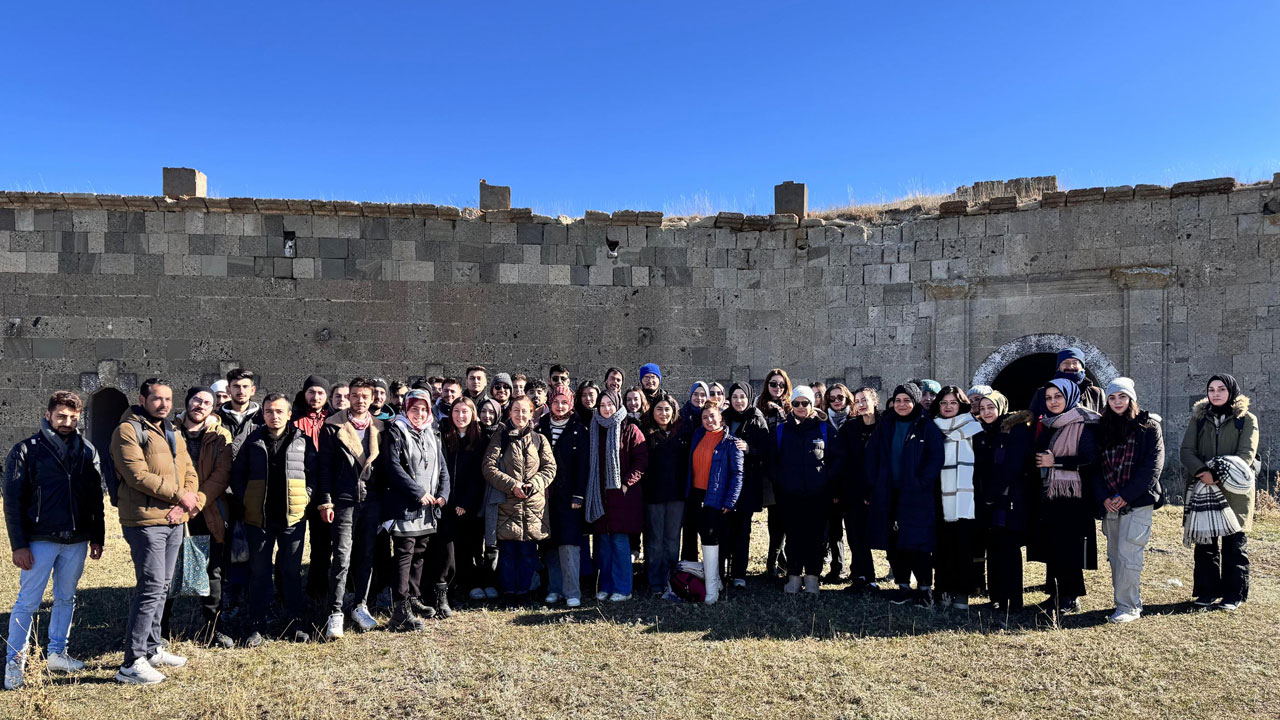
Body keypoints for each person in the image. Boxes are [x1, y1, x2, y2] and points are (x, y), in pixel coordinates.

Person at [3, 391, 105, 690]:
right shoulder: (26, 451)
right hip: (39, 539)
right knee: (28, 602)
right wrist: (18, 545)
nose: (67, 422)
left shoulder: (87, 450)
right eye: (61, 416)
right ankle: (14, 662)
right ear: (48, 415)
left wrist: (96, 535)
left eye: (73, 417)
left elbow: (95, 497)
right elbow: (13, 501)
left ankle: (57, 652)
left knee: (65, 598)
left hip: (76, 540)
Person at [111, 378, 203, 685]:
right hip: (145, 521)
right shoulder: (127, 430)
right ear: (142, 398)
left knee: (162, 586)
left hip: (174, 518)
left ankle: (152, 648)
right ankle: (131, 662)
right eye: (157, 398)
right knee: (150, 586)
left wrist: (188, 501)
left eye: (167, 399)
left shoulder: (171, 430)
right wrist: (180, 496)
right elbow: (137, 475)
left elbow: (188, 470)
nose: (163, 404)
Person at [232, 393, 314, 647]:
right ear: (263, 414)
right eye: (269, 411)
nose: (274, 416)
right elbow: (238, 475)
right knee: (259, 572)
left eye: (279, 411)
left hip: (293, 518)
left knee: (290, 571)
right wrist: (247, 498)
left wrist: (307, 496)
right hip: (259, 519)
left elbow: (313, 474)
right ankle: (257, 624)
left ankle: (296, 621)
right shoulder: (252, 441)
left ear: (290, 414)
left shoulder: (303, 441)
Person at [160, 388, 234, 649]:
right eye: (196, 400)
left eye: (207, 403)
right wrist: (178, 501)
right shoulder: (167, 430)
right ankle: (159, 631)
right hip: (170, 509)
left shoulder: (219, 435)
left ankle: (213, 628)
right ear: (187, 402)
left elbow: (221, 475)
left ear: (213, 409)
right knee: (165, 572)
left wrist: (196, 503)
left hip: (207, 510)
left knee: (211, 570)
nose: (200, 406)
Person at [1180, 373, 1258, 611]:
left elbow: (1246, 454)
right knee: (1206, 544)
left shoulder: (1246, 420)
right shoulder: (1199, 419)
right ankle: (1207, 591)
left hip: (1234, 491)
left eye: (1221, 389)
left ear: (1231, 391)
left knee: (1234, 545)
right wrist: (1203, 471)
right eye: (1211, 389)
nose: (1215, 393)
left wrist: (1218, 474)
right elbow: (1187, 450)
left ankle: (1234, 594)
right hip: (1204, 487)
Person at [316, 377, 385, 639]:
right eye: (355, 395)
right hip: (344, 500)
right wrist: (326, 500)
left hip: (371, 501)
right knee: (342, 556)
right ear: (349, 397)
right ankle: (335, 612)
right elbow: (324, 467)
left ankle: (360, 605)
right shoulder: (333, 427)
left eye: (364, 396)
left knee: (366, 555)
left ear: (371, 398)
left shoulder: (379, 427)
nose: (359, 400)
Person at [864, 383, 944, 607]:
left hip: (916, 494)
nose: (901, 404)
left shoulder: (926, 426)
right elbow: (872, 455)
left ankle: (925, 589)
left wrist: (921, 482)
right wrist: (874, 484)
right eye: (898, 400)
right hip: (889, 493)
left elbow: (935, 458)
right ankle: (903, 587)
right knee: (894, 541)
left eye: (906, 400)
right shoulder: (885, 424)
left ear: (915, 402)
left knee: (917, 542)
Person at [1094, 378, 1164, 623]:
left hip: (1137, 501)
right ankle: (1121, 602)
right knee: (1114, 554)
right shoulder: (1102, 427)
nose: (1117, 402)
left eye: (1122, 397)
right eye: (1112, 398)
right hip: (1110, 502)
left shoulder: (1149, 427)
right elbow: (1095, 467)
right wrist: (1104, 497)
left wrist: (1125, 496)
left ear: (1131, 399)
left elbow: (1152, 468)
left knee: (1128, 554)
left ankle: (1130, 607)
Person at [380, 389, 451, 630]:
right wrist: (418, 493)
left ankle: (413, 597)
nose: (419, 413)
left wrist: (443, 493)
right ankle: (399, 610)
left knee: (420, 552)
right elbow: (393, 467)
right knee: (404, 553)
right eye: (413, 408)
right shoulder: (395, 431)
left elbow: (441, 466)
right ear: (405, 409)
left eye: (423, 409)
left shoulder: (432, 431)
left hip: (428, 508)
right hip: (406, 505)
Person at [1030, 379, 1100, 618]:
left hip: (1074, 496)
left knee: (1069, 546)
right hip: (1051, 493)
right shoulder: (1050, 423)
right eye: (1048, 398)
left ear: (1069, 396)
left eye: (1058, 396)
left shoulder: (1085, 422)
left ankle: (1071, 597)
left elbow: (1091, 460)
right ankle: (1056, 593)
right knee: (1054, 545)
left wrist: (1056, 463)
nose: (1053, 401)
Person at [483, 396, 557, 597]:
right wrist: (512, 485)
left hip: (533, 505)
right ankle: (508, 591)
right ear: (510, 413)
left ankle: (524, 591)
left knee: (528, 553)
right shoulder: (501, 437)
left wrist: (534, 484)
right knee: (507, 553)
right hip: (507, 504)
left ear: (531, 413)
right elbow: (488, 467)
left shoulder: (539, 440)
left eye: (525, 411)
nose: (520, 415)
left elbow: (550, 468)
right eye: (516, 410)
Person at [972, 390, 1033, 616]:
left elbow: (1014, 466)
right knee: (993, 548)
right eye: (983, 407)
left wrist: (993, 493)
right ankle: (996, 597)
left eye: (991, 407)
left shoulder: (1015, 430)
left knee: (1008, 550)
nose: (987, 412)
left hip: (1008, 500)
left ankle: (1013, 600)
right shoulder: (983, 432)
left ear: (1001, 408)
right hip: (986, 500)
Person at [585, 390, 648, 601]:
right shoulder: (594, 429)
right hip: (600, 495)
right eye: (602, 405)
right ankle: (606, 586)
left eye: (610, 404)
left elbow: (641, 460)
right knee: (602, 545)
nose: (606, 408)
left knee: (620, 544)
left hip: (622, 497)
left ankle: (622, 589)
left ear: (618, 404)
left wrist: (626, 483)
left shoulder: (630, 429)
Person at [773, 386, 835, 595]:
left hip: (818, 494)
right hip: (790, 495)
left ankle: (812, 577)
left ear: (812, 405)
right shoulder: (782, 430)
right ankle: (793, 576)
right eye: (797, 403)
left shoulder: (824, 428)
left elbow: (836, 458)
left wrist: (826, 481)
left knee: (816, 538)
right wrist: (782, 482)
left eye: (805, 403)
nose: (801, 407)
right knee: (794, 536)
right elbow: (773, 460)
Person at [931, 386, 984, 611]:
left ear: (961, 404)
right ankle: (942, 590)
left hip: (966, 499)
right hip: (939, 497)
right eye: (944, 403)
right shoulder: (932, 429)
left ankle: (962, 594)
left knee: (963, 548)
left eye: (953, 402)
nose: (948, 406)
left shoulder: (974, 429)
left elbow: (982, 465)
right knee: (942, 548)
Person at [537, 384, 591, 606]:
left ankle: (572, 592)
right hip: (546, 495)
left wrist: (579, 495)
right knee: (550, 542)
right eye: (556, 401)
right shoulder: (540, 427)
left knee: (569, 544)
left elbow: (583, 465)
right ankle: (555, 588)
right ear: (549, 403)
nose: (560, 406)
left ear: (570, 403)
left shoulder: (579, 429)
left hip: (570, 497)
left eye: (564, 402)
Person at [686, 404, 744, 604]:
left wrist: (730, 501)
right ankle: (715, 581)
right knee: (700, 536)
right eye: (705, 418)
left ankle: (712, 590)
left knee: (711, 539)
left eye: (713, 416)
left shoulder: (731, 443)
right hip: (696, 496)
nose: (709, 421)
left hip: (716, 498)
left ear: (721, 418)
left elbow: (737, 475)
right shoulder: (697, 436)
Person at [443, 397, 498, 602]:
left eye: (465, 412)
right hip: (448, 501)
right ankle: (454, 584)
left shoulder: (481, 439)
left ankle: (474, 582)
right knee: (452, 546)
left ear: (473, 414)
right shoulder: (445, 436)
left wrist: (466, 502)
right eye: (456, 411)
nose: (460, 416)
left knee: (473, 544)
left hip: (471, 503)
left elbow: (479, 475)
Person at [722, 382, 770, 588]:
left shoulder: (757, 419)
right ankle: (721, 571)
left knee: (742, 530)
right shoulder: (724, 417)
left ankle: (739, 573)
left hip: (747, 484)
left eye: (742, 397)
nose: (739, 401)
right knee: (724, 529)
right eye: (735, 397)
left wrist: (749, 448)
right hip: (725, 483)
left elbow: (768, 450)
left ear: (749, 398)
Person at [641, 394, 689, 596]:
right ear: (653, 412)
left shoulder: (682, 433)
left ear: (674, 412)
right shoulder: (646, 434)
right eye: (659, 409)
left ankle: (671, 581)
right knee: (654, 541)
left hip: (676, 496)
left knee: (671, 541)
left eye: (667, 409)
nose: (663, 413)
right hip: (653, 496)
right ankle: (655, 582)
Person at [291, 375, 333, 599]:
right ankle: (288, 591)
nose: (315, 397)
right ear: (304, 393)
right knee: (292, 545)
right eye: (311, 392)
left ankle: (318, 589)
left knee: (322, 544)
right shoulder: (292, 418)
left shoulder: (334, 419)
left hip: (324, 490)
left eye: (320, 393)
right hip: (297, 486)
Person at [834, 386, 878, 591]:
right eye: (857, 401)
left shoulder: (885, 425)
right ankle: (863, 576)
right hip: (853, 491)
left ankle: (903, 579)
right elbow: (841, 460)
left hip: (879, 489)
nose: (861, 404)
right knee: (855, 535)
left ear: (874, 402)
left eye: (864, 400)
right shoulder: (850, 428)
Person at [756, 368, 793, 579]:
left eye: (781, 384)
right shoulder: (759, 407)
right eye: (773, 384)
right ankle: (773, 561)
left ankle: (778, 560)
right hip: (768, 470)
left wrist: (780, 412)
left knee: (784, 517)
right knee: (774, 518)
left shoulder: (791, 406)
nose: (777, 388)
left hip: (787, 469)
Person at [821, 383, 855, 582]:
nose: (836, 402)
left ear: (847, 398)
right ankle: (837, 568)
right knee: (834, 530)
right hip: (831, 482)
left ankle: (858, 570)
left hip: (852, 484)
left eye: (840, 398)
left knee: (854, 531)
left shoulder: (855, 420)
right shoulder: (824, 423)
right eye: (832, 399)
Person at [1029, 347, 1107, 417]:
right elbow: (1033, 420)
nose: (1070, 366)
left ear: (1082, 367)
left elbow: (1103, 420)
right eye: (1065, 363)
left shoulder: (1096, 393)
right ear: (1059, 368)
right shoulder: (1043, 393)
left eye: (1075, 363)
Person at [218, 368, 261, 450]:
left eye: (245, 386)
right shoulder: (217, 419)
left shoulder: (262, 418)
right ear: (228, 390)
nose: (241, 391)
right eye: (236, 386)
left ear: (252, 390)